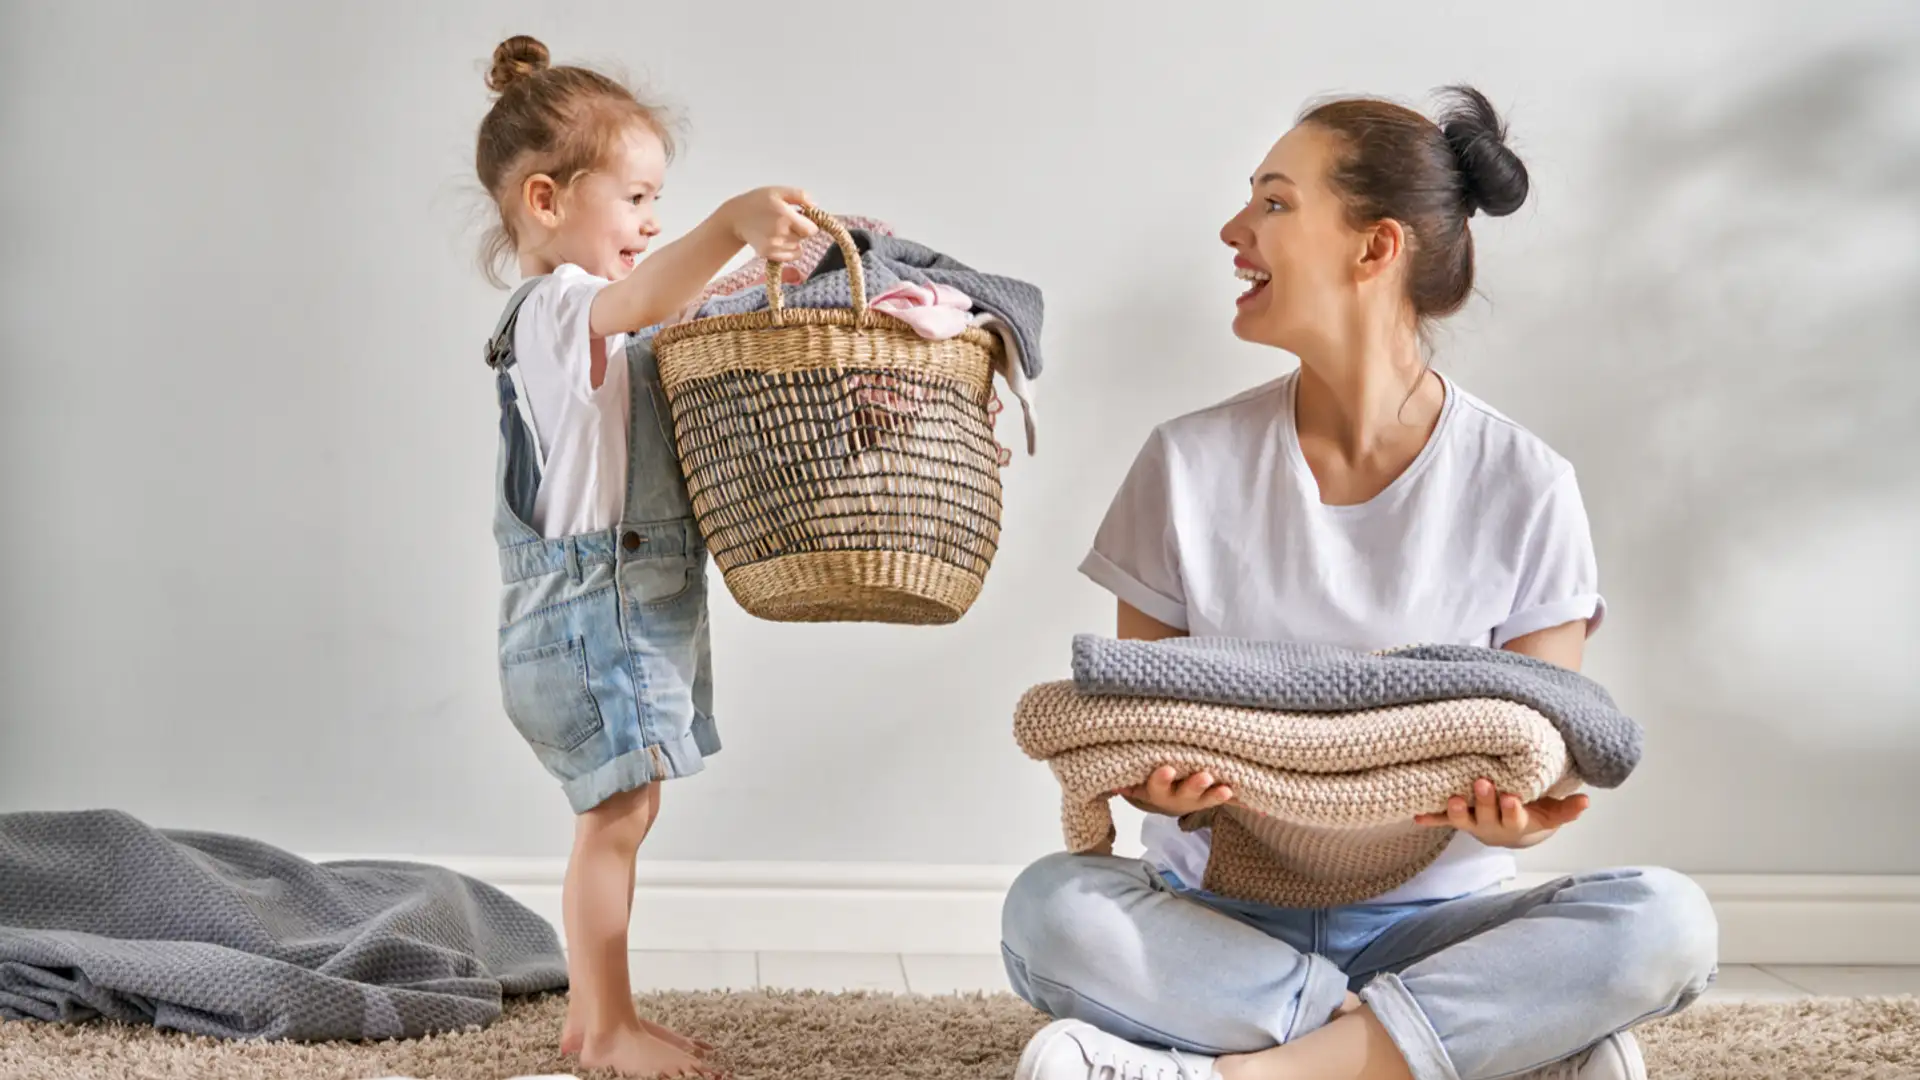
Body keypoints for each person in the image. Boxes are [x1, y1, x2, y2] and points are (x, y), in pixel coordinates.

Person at [1001, 86, 1719, 1080]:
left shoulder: (1524, 482)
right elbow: (1140, 719)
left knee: (1666, 921)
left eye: (1275, 204)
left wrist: (1526, 804)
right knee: (1050, 909)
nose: (1233, 230)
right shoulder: (1185, 463)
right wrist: (1151, 782)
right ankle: (1456, 1049)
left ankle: (1242, 1069)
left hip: (1442, 922)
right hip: (1222, 922)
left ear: (1375, 249)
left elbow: (1546, 747)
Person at [473, 34, 815, 1078]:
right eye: (634, 198)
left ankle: (593, 1020)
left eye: (660, 200)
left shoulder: (595, 329)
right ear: (546, 201)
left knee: (626, 809)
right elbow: (647, 297)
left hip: (621, 604)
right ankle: (609, 1025)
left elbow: (663, 316)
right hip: (589, 614)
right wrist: (725, 225)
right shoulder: (555, 310)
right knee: (615, 816)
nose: (654, 220)